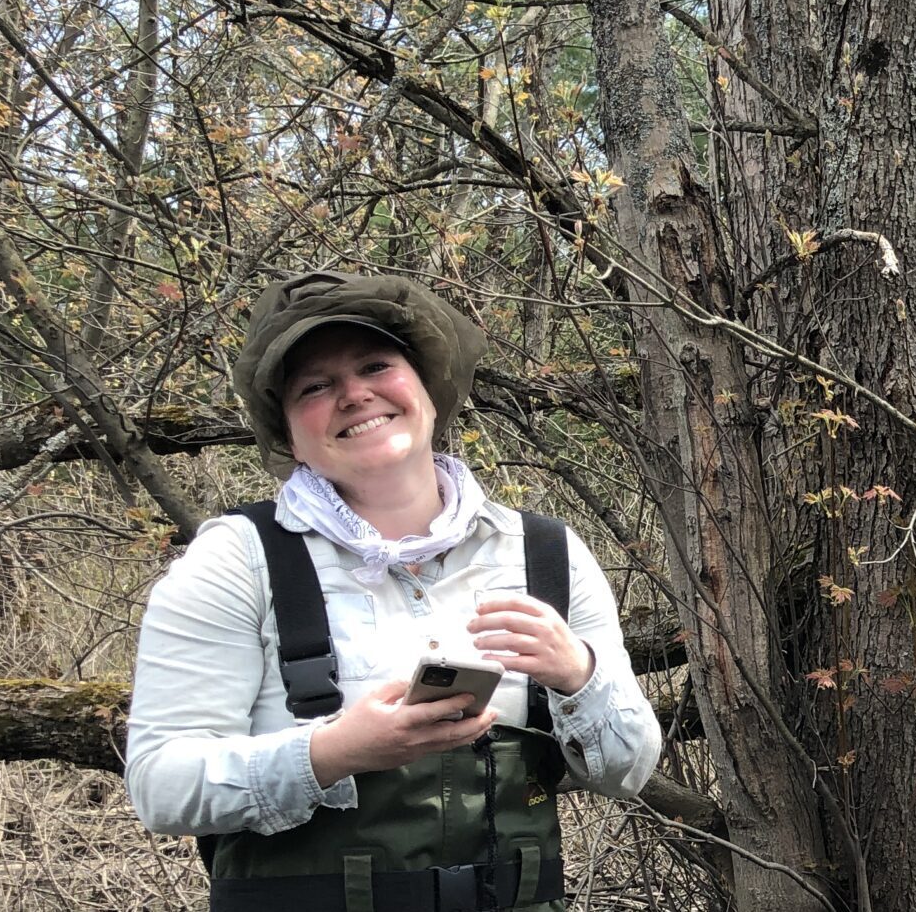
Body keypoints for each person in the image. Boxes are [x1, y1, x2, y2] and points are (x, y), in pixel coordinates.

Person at [127, 271, 662, 911]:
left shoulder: (547, 555)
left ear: (430, 390)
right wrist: (334, 752)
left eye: (376, 365)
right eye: (315, 387)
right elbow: (162, 787)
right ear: (290, 437)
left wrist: (579, 676)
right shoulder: (234, 562)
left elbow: (629, 772)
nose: (354, 394)